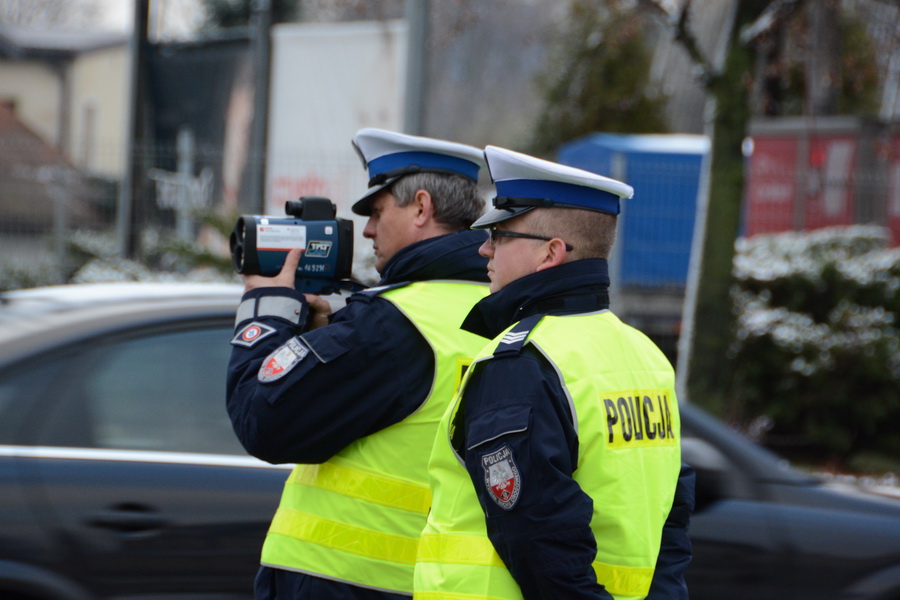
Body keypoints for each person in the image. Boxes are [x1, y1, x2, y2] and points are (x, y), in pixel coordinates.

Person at [413, 145, 694, 600]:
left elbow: (537, 539)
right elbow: (672, 521)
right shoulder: (644, 356)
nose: (483, 247)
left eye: (500, 236)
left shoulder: (520, 364)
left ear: (550, 253)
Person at [226, 128, 492, 600]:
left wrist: (264, 308)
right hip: (440, 582)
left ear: (422, 208)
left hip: (344, 579)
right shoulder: (503, 313)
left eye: (376, 211)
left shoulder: (393, 324)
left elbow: (263, 420)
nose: (367, 230)